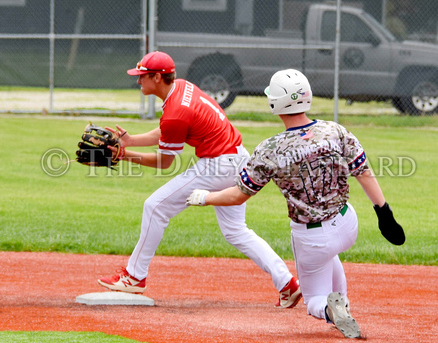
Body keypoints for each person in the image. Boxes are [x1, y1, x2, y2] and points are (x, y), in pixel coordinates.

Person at [187, 69, 405, 339]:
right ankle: (342, 304)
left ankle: (329, 310)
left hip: (311, 238)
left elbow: (240, 194)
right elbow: (363, 172)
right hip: (347, 224)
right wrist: (384, 213)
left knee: (313, 299)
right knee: (331, 253)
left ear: (274, 103)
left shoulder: (270, 149)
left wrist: (205, 197)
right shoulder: (334, 130)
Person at [98, 51, 302, 309]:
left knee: (155, 206)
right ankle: (287, 283)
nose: (138, 81)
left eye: (142, 76)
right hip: (238, 158)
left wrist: (123, 155)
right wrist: (131, 141)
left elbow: (164, 161)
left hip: (219, 165)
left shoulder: (175, 110)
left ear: (158, 78)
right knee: (236, 231)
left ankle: (134, 277)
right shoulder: (182, 87)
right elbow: (170, 129)